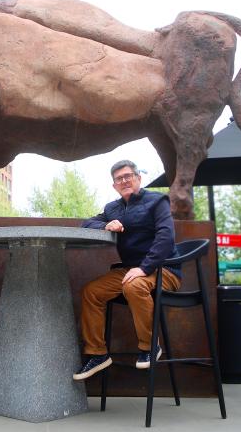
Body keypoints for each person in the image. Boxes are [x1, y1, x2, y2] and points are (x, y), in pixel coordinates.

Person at [73, 160, 181, 381]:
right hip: (131, 271)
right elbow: (86, 224)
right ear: (114, 185)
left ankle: (149, 346)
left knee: (134, 285)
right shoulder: (113, 208)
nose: (124, 181)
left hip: (164, 269)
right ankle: (97, 353)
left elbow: (166, 237)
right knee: (91, 292)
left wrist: (144, 268)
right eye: (119, 179)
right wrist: (106, 224)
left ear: (138, 178)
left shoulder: (157, 201)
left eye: (128, 176)